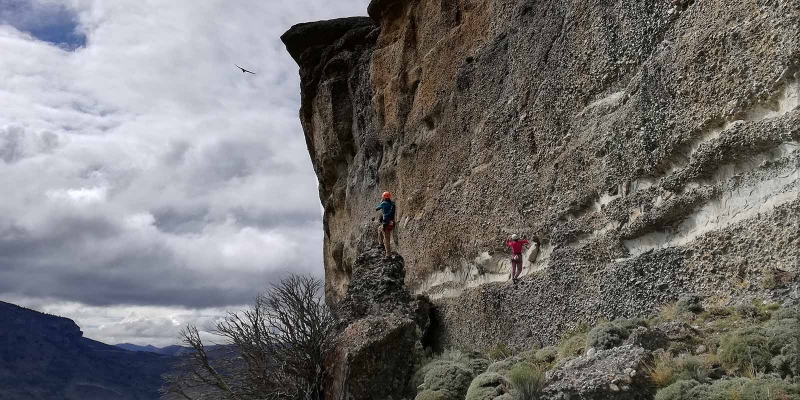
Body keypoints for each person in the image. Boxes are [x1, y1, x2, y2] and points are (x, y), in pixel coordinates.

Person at [375, 191, 396, 258]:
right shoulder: (393, 203)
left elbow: (377, 208)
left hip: (386, 223)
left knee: (386, 239)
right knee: (379, 229)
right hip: (392, 222)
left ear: (383, 197)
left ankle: (388, 254)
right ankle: (381, 244)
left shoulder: (383, 203)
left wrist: (381, 202)